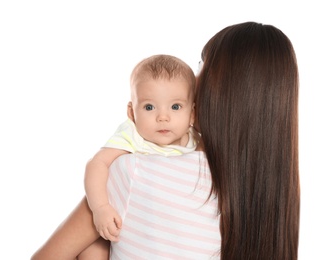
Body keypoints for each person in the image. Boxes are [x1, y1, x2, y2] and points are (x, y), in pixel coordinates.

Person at [31, 21, 300, 260]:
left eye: (201, 66)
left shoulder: (137, 170)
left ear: (222, 88)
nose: (193, 79)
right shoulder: (276, 200)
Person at [84, 54, 197, 242]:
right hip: (123, 225)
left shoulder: (196, 142)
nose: (163, 117)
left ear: (192, 114)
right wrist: (101, 208)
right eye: (149, 107)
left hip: (165, 230)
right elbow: (97, 164)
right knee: (94, 245)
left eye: (175, 107)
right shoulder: (133, 135)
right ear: (132, 112)